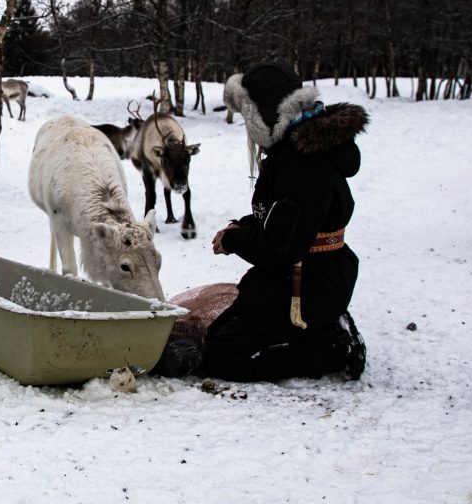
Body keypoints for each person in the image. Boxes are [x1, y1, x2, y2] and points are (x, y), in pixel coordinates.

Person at [156, 61, 367, 381]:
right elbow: (280, 217)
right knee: (217, 334)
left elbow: (282, 248)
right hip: (299, 275)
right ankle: (318, 328)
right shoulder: (295, 149)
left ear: (266, 114)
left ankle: (332, 348)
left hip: (308, 285)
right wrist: (241, 227)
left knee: (224, 355)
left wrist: (235, 240)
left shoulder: (304, 166)